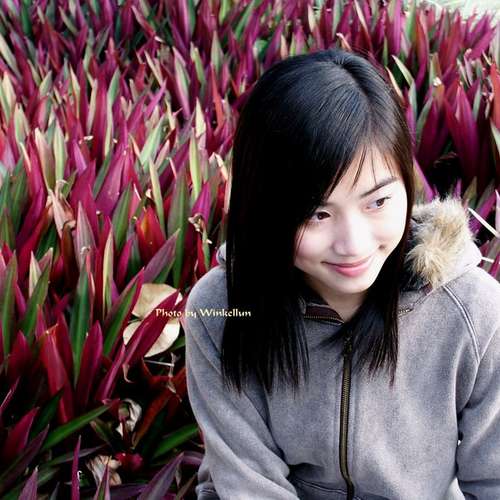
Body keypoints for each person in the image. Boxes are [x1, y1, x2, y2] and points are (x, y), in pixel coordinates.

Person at [181, 48, 500, 500]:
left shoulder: (474, 311)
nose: (354, 244)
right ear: (267, 209)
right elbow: (250, 485)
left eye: (378, 201)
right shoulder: (221, 310)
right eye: (317, 213)